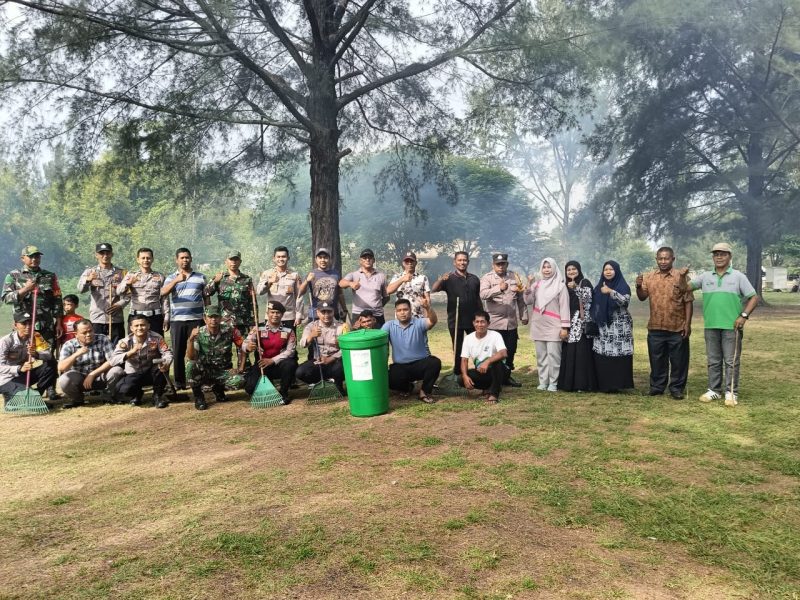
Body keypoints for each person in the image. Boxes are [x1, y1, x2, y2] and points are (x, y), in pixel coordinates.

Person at [688, 242, 758, 406]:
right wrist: (682, 276)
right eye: (716, 254)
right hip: (711, 325)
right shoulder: (705, 276)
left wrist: (744, 316)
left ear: (729, 256)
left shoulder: (738, 276)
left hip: (731, 326)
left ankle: (731, 392)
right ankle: (714, 390)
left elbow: (754, 297)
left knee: (731, 361)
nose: (719, 257)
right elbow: (685, 288)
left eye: (723, 254)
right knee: (713, 360)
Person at [635, 247, 694, 399]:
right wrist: (637, 286)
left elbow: (688, 302)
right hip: (655, 326)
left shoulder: (681, 277)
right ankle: (657, 387)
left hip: (677, 326)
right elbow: (642, 297)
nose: (663, 261)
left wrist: (687, 324)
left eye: (666, 258)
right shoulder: (649, 277)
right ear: (656, 259)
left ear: (673, 259)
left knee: (678, 361)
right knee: (657, 360)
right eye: (660, 258)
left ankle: (676, 388)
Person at [161, 247, 208, 390]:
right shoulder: (170, 277)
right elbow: (163, 292)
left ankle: (201, 380)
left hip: (196, 319)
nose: (185, 260)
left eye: (187, 257)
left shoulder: (200, 277)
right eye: (182, 258)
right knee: (178, 351)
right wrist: (176, 280)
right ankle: (180, 382)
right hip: (178, 320)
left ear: (191, 259)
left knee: (198, 350)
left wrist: (207, 315)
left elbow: (206, 297)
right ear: (177, 260)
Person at [2, 245, 64, 349]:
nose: (34, 259)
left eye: (37, 256)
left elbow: (57, 300)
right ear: (22, 258)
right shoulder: (13, 276)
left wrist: (58, 323)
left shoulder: (50, 276)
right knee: (24, 356)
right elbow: (6, 299)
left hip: (45, 325)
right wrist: (25, 289)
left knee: (46, 357)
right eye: (31, 257)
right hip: (24, 326)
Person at [479, 252, 527, 387]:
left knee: (510, 351)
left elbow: (521, 298)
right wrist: (498, 289)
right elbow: (483, 294)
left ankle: (506, 377)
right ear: (493, 265)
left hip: (511, 323)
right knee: (495, 353)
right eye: (498, 264)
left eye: (503, 264)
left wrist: (524, 315)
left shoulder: (514, 276)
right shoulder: (487, 278)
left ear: (507, 264)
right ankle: (494, 379)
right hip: (495, 323)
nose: (500, 266)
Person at [382, 297, 441, 404]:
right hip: (400, 366)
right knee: (388, 377)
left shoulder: (419, 323)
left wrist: (428, 308)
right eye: (399, 310)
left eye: (405, 309)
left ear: (410, 310)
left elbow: (433, 321)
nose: (402, 313)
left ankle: (424, 392)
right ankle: (407, 388)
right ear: (396, 312)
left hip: (420, 363)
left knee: (435, 363)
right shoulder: (389, 326)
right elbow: (377, 338)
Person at [185, 305, 246, 410]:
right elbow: (191, 356)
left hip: (222, 371)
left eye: (216, 316)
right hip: (205, 371)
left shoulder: (230, 330)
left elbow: (243, 347)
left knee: (240, 380)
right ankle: (198, 396)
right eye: (210, 317)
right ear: (205, 318)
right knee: (190, 365)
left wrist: (241, 367)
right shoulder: (199, 333)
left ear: (221, 318)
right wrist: (191, 339)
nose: (213, 319)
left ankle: (218, 388)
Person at [524, 257, 570, 392]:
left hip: (554, 326)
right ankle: (543, 382)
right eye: (544, 267)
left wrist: (564, 327)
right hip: (538, 324)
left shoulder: (560, 286)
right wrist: (528, 284)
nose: (546, 270)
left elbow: (564, 307)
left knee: (554, 356)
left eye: (549, 267)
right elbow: (528, 300)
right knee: (541, 356)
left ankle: (553, 383)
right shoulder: (537, 285)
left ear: (554, 268)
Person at [431, 251, 481, 375]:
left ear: (468, 262)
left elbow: (477, 298)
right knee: (458, 348)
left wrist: (482, 314)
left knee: (476, 346)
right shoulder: (449, 278)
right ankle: (458, 373)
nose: (462, 262)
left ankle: (479, 371)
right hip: (456, 320)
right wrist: (441, 280)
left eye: (464, 260)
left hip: (473, 320)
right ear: (454, 262)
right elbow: (434, 289)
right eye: (459, 260)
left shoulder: (474, 279)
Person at [57, 319, 123, 408]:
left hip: (101, 376)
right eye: (84, 333)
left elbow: (112, 360)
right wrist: (76, 354)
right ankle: (78, 400)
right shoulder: (69, 345)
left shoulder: (102, 339)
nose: (88, 335)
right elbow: (61, 367)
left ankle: (108, 396)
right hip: (80, 379)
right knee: (64, 379)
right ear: (76, 334)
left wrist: (92, 374)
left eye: (90, 331)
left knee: (117, 370)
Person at [110, 315, 173, 408]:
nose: (140, 328)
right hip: (133, 373)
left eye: (142, 325)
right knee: (123, 390)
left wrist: (166, 363)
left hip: (151, 372)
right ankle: (137, 394)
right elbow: (113, 360)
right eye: (136, 326)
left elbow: (167, 353)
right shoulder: (125, 342)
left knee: (161, 366)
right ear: (131, 328)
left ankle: (157, 396)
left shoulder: (157, 338)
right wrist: (131, 352)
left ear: (148, 326)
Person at [590, 260, 634, 392]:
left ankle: (619, 385)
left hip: (620, 327)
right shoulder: (598, 287)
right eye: (605, 270)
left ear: (617, 271)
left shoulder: (623, 286)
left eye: (611, 269)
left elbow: (624, 301)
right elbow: (593, 305)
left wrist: (610, 291)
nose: (608, 272)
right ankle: (604, 385)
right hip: (604, 327)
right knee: (604, 355)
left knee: (619, 355)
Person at [244, 301, 299, 405]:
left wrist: (272, 360)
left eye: (278, 312)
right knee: (250, 389)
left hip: (279, 365)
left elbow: (290, 352)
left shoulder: (289, 330)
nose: (275, 315)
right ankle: (268, 386)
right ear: (267, 313)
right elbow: (245, 343)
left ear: (282, 314)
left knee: (290, 364)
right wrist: (248, 347)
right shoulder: (258, 328)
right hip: (262, 365)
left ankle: (283, 392)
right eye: (272, 312)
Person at [0, 311, 58, 406]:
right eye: (24, 323)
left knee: (51, 364)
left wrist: (36, 354)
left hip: (23, 375)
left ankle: (36, 396)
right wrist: (19, 369)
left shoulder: (36, 336)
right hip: (6, 378)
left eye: (30, 323)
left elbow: (49, 355)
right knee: (19, 402)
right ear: (15, 325)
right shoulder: (5, 341)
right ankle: (19, 399)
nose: (28, 326)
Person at [557, 261, 597, 393]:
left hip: (580, 323)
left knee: (581, 353)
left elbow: (588, 298)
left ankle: (582, 384)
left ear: (579, 270)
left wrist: (576, 288)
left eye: (574, 269)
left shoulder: (584, 282)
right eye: (568, 269)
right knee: (569, 352)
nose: (571, 272)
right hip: (567, 322)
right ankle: (568, 383)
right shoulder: (563, 285)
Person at [77, 242, 129, 344]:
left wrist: (119, 305)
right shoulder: (90, 272)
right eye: (102, 253)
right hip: (97, 318)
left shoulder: (121, 273)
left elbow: (128, 295)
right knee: (97, 348)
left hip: (115, 318)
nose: (105, 256)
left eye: (107, 253)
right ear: (96, 255)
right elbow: (80, 289)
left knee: (117, 347)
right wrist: (88, 280)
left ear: (112, 254)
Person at [296, 302, 347, 395]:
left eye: (329, 312)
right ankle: (321, 383)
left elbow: (347, 349)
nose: (326, 315)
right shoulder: (311, 326)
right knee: (300, 372)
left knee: (340, 368)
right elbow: (302, 344)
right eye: (323, 312)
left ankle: (338, 385)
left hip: (336, 360)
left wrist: (331, 358)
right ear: (317, 313)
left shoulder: (342, 326)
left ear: (333, 311)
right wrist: (311, 336)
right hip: (319, 361)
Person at [117, 247, 169, 336]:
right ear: (138, 260)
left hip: (155, 317)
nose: (146, 260)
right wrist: (128, 284)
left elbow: (164, 299)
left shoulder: (160, 276)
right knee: (134, 344)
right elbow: (119, 291)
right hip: (136, 316)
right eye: (143, 258)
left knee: (155, 345)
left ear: (152, 259)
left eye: (148, 258)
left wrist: (166, 317)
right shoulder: (131, 275)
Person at [459, 310, 507, 404]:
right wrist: (465, 376)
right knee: (460, 379)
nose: (480, 325)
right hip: (482, 372)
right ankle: (488, 387)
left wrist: (487, 361)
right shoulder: (468, 338)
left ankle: (494, 394)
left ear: (488, 323)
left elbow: (503, 353)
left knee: (497, 363)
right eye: (477, 322)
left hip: (499, 371)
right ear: (473, 323)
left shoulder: (495, 335)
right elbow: (464, 360)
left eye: (482, 322)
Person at [206, 250, 255, 334]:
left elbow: (252, 302)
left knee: (243, 346)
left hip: (243, 322)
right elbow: (206, 292)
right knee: (224, 347)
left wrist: (253, 322)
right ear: (226, 261)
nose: (233, 262)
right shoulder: (220, 277)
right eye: (231, 259)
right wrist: (215, 282)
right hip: (224, 322)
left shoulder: (247, 279)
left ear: (240, 262)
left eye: (236, 260)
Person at [256, 246, 303, 330]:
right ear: (274, 258)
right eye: (278, 257)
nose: (281, 259)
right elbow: (259, 291)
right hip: (272, 316)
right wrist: (270, 282)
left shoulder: (294, 275)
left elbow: (299, 296)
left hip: (288, 317)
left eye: (283, 257)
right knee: (270, 342)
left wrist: (299, 315)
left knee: (290, 342)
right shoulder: (267, 274)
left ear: (288, 258)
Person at [340, 248, 389, 326]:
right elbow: (341, 283)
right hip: (358, 314)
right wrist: (350, 283)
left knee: (378, 337)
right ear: (360, 261)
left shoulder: (381, 276)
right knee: (359, 338)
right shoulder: (354, 275)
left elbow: (386, 297)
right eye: (364, 258)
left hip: (377, 315)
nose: (367, 260)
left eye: (370, 258)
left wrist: (376, 306)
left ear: (374, 260)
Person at [298, 247, 348, 322]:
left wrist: (344, 309)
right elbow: (300, 292)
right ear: (316, 260)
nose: (323, 260)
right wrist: (306, 281)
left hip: (332, 312)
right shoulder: (311, 274)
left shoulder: (335, 274)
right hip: (316, 314)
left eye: (325, 258)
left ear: (329, 259)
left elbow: (340, 293)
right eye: (320, 258)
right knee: (316, 333)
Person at [386, 251, 431, 318]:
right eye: (407, 261)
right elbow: (388, 290)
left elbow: (427, 298)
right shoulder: (397, 277)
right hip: (401, 317)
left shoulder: (423, 278)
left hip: (418, 317)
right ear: (403, 263)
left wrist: (428, 316)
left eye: (411, 261)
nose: (409, 263)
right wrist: (402, 279)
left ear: (415, 263)